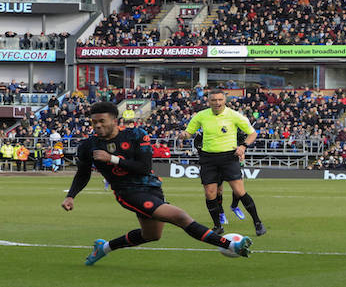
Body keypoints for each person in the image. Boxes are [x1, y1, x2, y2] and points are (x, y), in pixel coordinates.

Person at [61, 102, 252, 266]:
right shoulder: (88, 146)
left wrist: (112, 158)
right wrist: (71, 195)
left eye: (102, 121)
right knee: (180, 217)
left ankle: (103, 248)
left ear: (114, 120)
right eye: (94, 122)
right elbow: (83, 173)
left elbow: (144, 167)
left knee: (152, 235)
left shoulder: (136, 135)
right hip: (128, 193)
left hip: (151, 188)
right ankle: (231, 245)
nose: (97, 126)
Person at [181, 90, 266, 236]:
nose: (217, 103)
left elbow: (253, 133)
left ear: (224, 100)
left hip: (229, 157)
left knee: (239, 191)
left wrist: (243, 146)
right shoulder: (201, 115)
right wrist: (184, 135)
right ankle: (217, 226)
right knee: (210, 193)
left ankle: (257, 222)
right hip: (208, 158)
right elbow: (189, 132)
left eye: (220, 100)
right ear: (209, 101)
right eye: (214, 100)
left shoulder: (234, 115)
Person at [193, 131, 246, 225]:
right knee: (218, 191)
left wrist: (241, 151)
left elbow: (242, 140)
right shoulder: (208, 129)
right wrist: (203, 152)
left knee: (238, 189)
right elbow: (197, 142)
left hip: (230, 162)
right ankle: (221, 213)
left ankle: (234, 206)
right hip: (215, 164)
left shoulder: (233, 128)